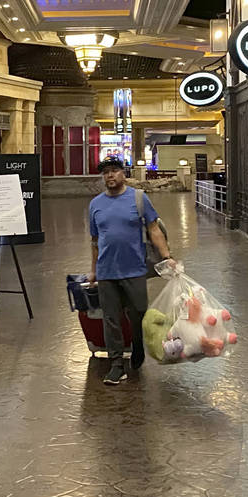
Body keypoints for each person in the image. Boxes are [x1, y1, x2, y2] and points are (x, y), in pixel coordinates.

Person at [88, 157, 174, 385]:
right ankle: (116, 364)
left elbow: (154, 229)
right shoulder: (95, 204)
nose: (110, 175)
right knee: (111, 319)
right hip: (107, 271)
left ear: (122, 174)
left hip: (134, 269)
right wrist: (94, 271)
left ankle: (137, 344)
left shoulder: (138, 198)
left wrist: (167, 257)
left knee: (138, 314)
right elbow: (95, 240)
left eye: (114, 171)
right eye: (106, 172)